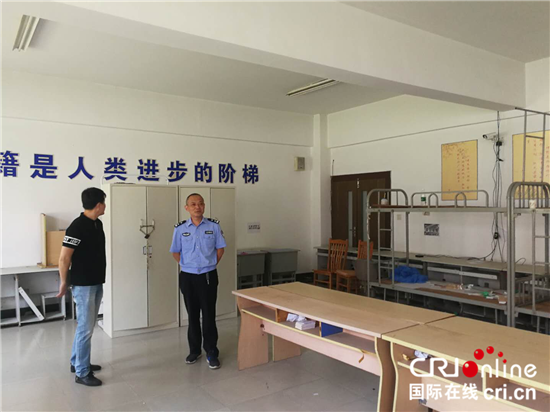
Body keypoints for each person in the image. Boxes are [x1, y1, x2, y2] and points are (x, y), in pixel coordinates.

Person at [57, 187, 106, 387]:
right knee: (86, 328)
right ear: (98, 205)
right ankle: (82, 372)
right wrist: (64, 281)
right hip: (83, 284)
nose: (105, 206)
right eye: (104, 202)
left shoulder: (97, 224)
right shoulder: (77, 227)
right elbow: (64, 258)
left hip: (96, 281)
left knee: (87, 326)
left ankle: (77, 361)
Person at [170, 193, 226, 369]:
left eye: (200, 204)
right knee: (192, 315)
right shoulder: (180, 229)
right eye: (193, 204)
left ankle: (211, 351)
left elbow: (220, 249)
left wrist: (209, 264)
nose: (197, 207)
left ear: (204, 206)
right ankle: (194, 350)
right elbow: (175, 251)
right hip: (188, 277)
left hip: (208, 275)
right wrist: (188, 265)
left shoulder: (213, 226)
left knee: (208, 315)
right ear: (186, 208)